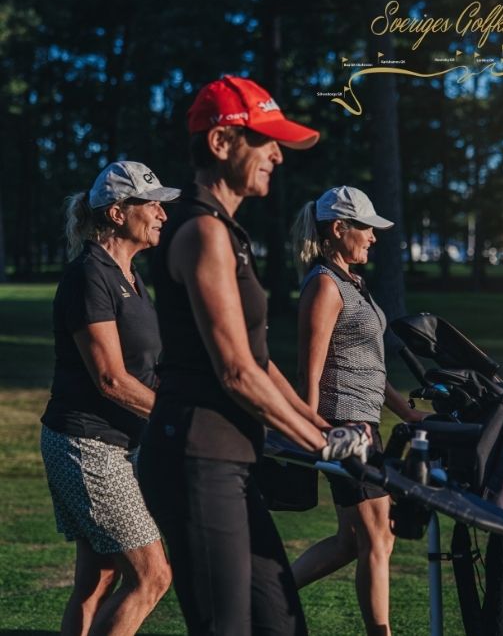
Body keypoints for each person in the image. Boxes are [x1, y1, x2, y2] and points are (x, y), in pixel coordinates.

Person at [136, 76, 369, 636]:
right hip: (195, 456)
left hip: (230, 459)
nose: (277, 156)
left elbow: (258, 361)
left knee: (280, 620)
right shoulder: (201, 231)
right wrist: (322, 446)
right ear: (221, 142)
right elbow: (236, 372)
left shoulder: (227, 232)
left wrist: (316, 423)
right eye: (265, 141)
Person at [41, 162, 178, 635]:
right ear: (118, 213)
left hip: (116, 443)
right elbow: (111, 380)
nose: (162, 212)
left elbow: (146, 367)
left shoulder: (131, 277)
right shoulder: (89, 275)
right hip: (86, 444)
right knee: (153, 576)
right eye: (152, 203)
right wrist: (178, 418)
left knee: (98, 578)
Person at [288, 186, 428, 636]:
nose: (373, 237)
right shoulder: (325, 285)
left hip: (365, 424)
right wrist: (311, 429)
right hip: (344, 428)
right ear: (338, 228)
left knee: (354, 540)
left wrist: (407, 413)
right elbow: (310, 368)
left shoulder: (350, 282)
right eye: (365, 228)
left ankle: (265, 594)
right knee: (378, 537)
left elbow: (368, 364)